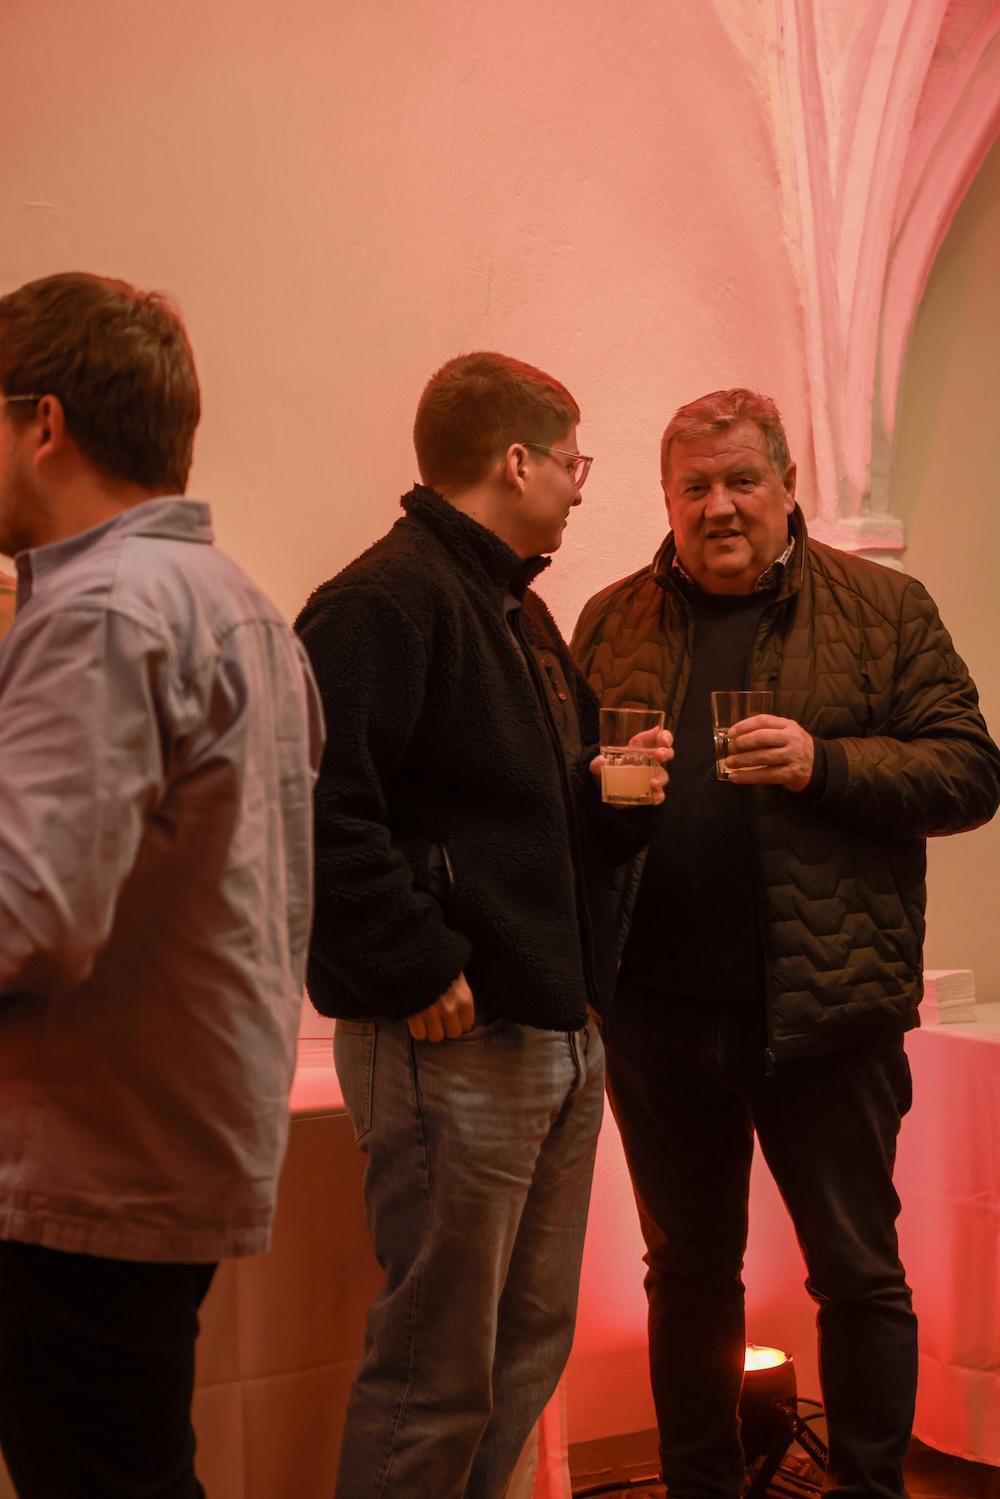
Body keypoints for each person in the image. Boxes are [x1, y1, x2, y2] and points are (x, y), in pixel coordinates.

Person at [571, 387, 1000, 1499]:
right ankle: (699, 1486)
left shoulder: (883, 607)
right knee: (687, 1274)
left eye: (740, 480)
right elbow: (563, 797)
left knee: (857, 1273)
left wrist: (826, 762)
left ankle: (868, 1488)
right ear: (666, 498)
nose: (718, 505)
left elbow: (969, 771)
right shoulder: (610, 619)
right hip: (658, 1020)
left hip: (828, 1013)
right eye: (694, 486)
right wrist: (595, 791)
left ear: (787, 485)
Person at [296, 351, 671, 1499]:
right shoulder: (381, 602)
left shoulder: (520, 608)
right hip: (453, 1040)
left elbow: (518, 816)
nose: (578, 483)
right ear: (515, 460)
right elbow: (315, 808)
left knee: (523, 1349)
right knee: (436, 1371)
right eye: (571, 461)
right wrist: (414, 961)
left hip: (552, 1029)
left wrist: (609, 797)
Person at [0, 271, 324, 1499]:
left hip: (84, 1153)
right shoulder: (238, 602)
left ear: (43, 421)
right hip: (171, 1134)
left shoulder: (101, 609)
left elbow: (30, 911)